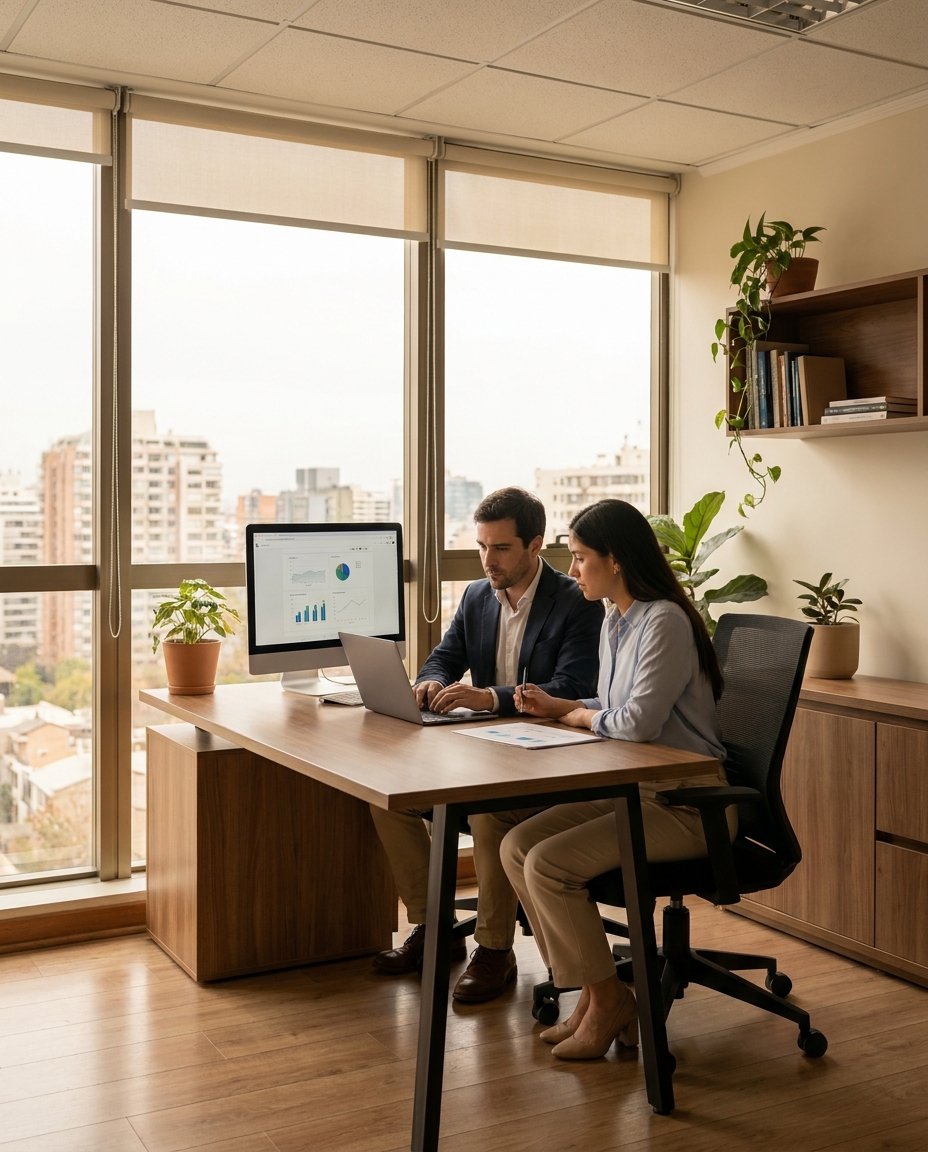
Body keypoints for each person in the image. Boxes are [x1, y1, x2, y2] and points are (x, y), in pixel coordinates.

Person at [499, 498, 731, 1058]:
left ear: (616, 561)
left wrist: (573, 716)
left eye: (580, 558)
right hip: (635, 791)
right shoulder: (615, 618)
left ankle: (608, 1002)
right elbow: (608, 703)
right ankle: (592, 995)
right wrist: (561, 705)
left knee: (549, 865)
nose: (571, 570)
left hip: (688, 805)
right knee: (517, 844)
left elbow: (634, 723)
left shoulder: (666, 622)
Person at [369, 486, 604, 1002]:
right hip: (481, 749)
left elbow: (572, 686)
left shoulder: (576, 603)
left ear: (535, 544)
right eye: (481, 546)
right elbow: (444, 656)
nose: (487, 559)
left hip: (548, 758)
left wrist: (489, 697)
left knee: (490, 813)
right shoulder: (478, 595)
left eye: (500, 548)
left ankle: (494, 949)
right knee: (387, 798)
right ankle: (434, 931)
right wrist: (429, 682)